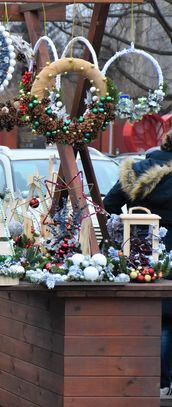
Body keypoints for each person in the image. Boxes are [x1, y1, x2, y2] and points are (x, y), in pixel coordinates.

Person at [104, 129, 172, 399]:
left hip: (142, 247)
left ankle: (154, 382)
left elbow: (110, 203)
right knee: (169, 319)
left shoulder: (137, 169)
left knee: (149, 315)